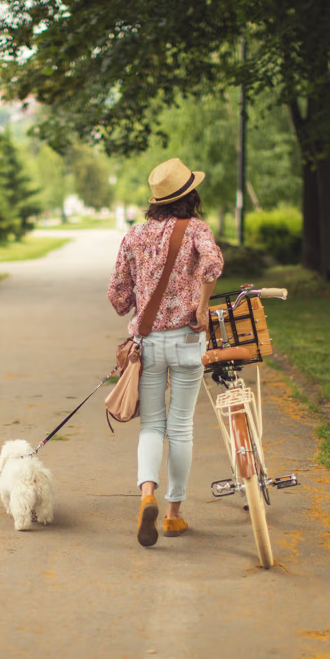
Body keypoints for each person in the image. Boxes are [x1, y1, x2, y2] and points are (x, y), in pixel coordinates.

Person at [107, 158, 224, 547]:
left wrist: (139, 300)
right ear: (190, 195)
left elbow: (117, 296)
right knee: (182, 427)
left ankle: (146, 496)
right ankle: (173, 515)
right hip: (189, 341)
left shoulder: (134, 235)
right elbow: (212, 264)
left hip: (150, 345)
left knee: (152, 427)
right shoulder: (197, 230)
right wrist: (201, 307)